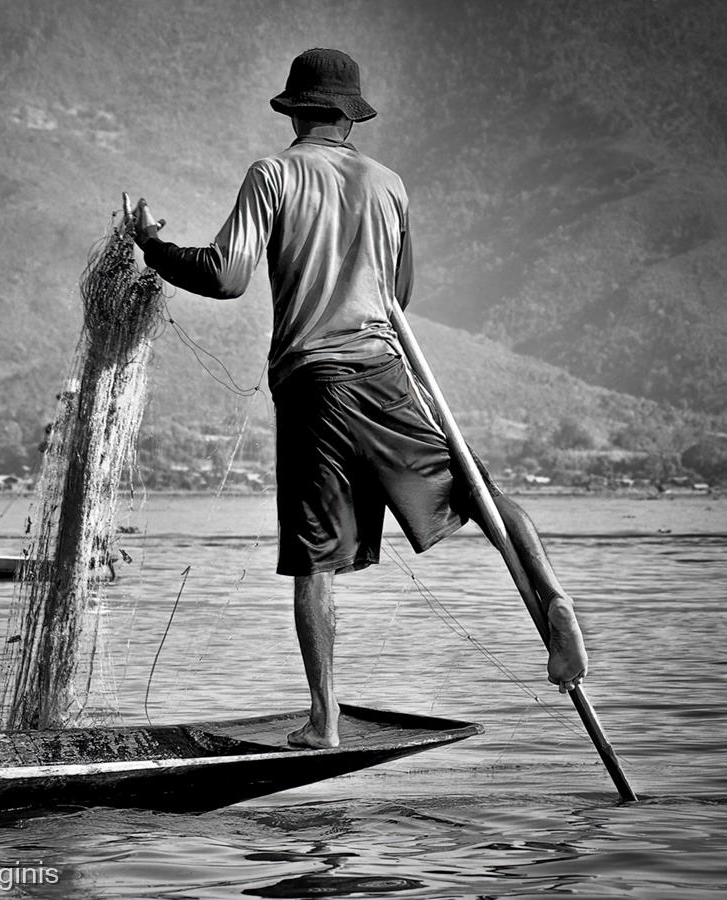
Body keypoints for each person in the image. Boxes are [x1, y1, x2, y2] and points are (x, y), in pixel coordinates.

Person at [133, 48, 588, 749]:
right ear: (349, 117)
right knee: (481, 496)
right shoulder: (389, 184)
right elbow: (396, 298)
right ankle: (552, 598)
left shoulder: (274, 174)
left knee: (315, 559)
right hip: (383, 369)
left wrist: (152, 245)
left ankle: (324, 719)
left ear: (296, 109)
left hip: (314, 382)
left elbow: (226, 278)